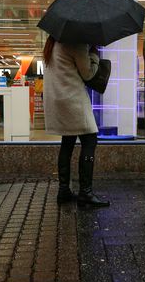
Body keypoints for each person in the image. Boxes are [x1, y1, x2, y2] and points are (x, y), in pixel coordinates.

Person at [42, 35, 109, 207]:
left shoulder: (52, 42)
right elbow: (88, 74)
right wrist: (94, 54)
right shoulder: (75, 42)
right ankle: (85, 193)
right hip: (72, 98)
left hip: (57, 98)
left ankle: (64, 191)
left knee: (68, 141)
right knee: (90, 139)